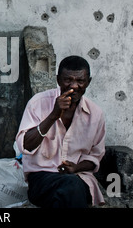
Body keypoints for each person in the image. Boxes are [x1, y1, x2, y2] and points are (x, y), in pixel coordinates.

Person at [15, 55, 106, 208]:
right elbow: (25, 146)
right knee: (69, 189)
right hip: (42, 178)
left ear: (88, 82)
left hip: (78, 178)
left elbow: (95, 158)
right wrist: (53, 116)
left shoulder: (96, 114)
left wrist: (76, 168)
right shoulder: (38, 103)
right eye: (68, 80)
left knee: (71, 187)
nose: (74, 86)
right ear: (58, 80)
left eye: (80, 81)